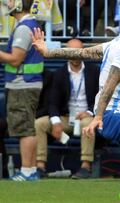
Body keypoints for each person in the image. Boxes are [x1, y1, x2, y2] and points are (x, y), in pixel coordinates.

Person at [32, 4, 120, 203]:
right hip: (113, 115)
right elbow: (109, 86)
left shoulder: (115, 43)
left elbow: (83, 53)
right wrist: (99, 117)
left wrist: (47, 52)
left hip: (112, 114)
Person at [35, 39, 100, 179]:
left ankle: (85, 166)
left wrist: (89, 112)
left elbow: (101, 97)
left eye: (78, 52)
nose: (75, 56)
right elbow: (52, 103)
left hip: (87, 116)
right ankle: (40, 165)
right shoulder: (59, 73)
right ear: (65, 53)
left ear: (84, 52)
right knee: (40, 123)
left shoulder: (94, 71)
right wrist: (56, 122)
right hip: (66, 117)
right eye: (71, 52)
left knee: (87, 124)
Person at [0, 0, 43, 181]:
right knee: (28, 127)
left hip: (22, 85)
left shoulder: (24, 28)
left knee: (24, 129)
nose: (6, 3)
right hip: (28, 84)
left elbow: (16, 59)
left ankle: (26, 171)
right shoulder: (29, 25)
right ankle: (31, 169)